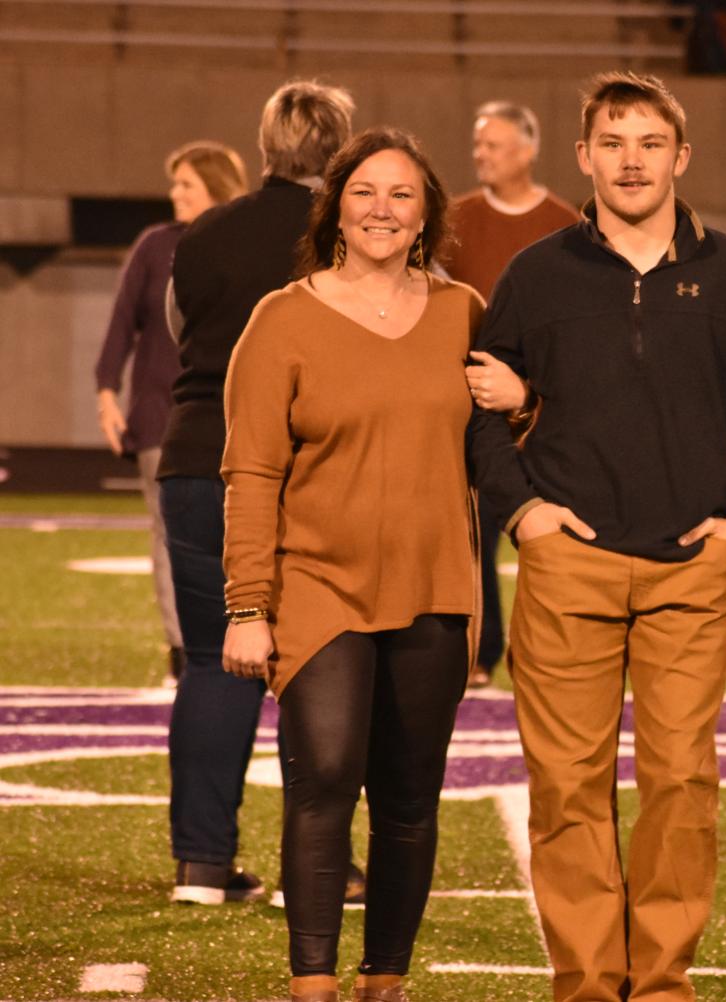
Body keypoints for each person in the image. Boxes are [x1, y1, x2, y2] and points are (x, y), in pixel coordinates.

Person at [466, 71, 726, 1001]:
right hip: (569, 566)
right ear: (583, 158)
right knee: (566, 789)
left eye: (649, 143)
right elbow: (478, 402)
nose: (631, 160)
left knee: (681, 784)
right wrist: (526, 515)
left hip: (693, 569)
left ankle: (663, 983)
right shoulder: (536, 273)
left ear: (680, 156)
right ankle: (587, 985)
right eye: (612, 142)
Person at [221, 126, 482, 1002]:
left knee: (410, 798)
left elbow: (504, 441)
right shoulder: (281, 318)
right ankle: (313, 982)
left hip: (435, 588)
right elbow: (251, 471)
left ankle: (386, 981)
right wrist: (246, 604)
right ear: (335, 207)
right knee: (326, 775)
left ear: (425, 217)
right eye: (364, 191)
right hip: (318, 586)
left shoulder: (462, 313)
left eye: (401, 194)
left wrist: (525, 405)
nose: (381, 208)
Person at [158, 79, 355, 907]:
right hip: (300, 467)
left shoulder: (204, 232)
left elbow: (180, 330)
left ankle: (203, 864)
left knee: (213, 662)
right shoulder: (343, 233)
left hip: (196, 457)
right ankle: (326, 868)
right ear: (340, 150)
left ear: (267, 145)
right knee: (323, 666)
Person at [95, 141, 247, 686]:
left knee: (241, 533)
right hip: (161, 413)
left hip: (238, 416)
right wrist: (106, 392)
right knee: (167, 534)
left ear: (214, 185)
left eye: (185, 183)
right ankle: (183, 649)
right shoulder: (156, 245)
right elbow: (122, 323)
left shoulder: (244, 240)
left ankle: (244, 633)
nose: (174, 193)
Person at [446, 100, 580, 689]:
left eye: (493, 144)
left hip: (548, 407)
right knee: (469, 532)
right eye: (478, 145)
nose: (481, 155)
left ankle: (559, 653)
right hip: (470, 400)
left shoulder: (566, 223)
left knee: (552, 534)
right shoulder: (454, 218)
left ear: (528, 149)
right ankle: (479, 650)